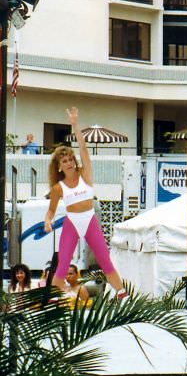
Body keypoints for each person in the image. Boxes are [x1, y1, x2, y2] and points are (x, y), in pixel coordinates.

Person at [44, 107, 127, 298]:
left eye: (71, 159)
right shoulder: (58, 187)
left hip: (89, 220)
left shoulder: (85, 174)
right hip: (72, 222)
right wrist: (47, 221)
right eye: (64, 161)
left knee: (104, 259)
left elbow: (83, 149)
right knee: (62, 265)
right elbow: (51, 211)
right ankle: (59, 295)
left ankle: (121, 291)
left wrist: (75, 125)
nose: (70, 163)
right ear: (59, 166)